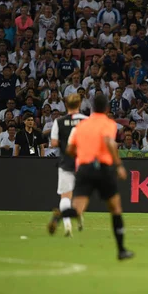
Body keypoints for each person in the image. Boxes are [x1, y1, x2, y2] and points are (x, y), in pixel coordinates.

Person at [61, 94, 133, 260]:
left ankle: (60, 214)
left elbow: (70, 149)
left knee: (78, 210)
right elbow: (109, 142)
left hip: (84, 169)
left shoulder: (82, 125)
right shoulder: (108, 123)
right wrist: (119, 165)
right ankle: (121, 250)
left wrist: (83, 155)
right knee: (115, 209)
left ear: (92, 108)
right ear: (107, 109)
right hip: (103, 168)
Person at [48, 94, 87, 238]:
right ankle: (79, 216)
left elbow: (53, 143)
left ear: (66, 104)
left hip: (66, 162)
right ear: (80, 104)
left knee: (65, 196)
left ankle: (67, 225)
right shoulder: (86, 120)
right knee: (81, 195)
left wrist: (65, 142)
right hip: (83, 162)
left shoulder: (59, 121)